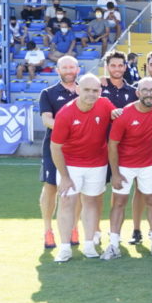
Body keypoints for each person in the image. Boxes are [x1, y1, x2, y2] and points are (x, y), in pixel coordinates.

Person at [100, 77, 152, 260]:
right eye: (145, 90)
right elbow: (112, 145)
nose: (149, 93)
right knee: (119, 203)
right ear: (137, 93)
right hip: (124, 166)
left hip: (149, 164)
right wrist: (116, 173)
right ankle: (113, 245)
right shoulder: (125, 115)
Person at [49, 73, 117, 262]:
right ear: (78, 90)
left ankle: (89, 244)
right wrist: (64, 177)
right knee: (66, 203)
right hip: (71, 165)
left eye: (95, 90)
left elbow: (116, 116)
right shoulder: (65, 113)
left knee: (91, 202)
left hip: (97, 164)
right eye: (87, 90)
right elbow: (55, 147)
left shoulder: (104, 104)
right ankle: (64, 248)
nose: (91, 94)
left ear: (100, 92)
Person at [39, 57, 80, 248]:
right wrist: (68, 129)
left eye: (72, 67)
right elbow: (47, 120)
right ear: (58, 70)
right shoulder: (48, 93)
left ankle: (74, 228)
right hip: (55, 148)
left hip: (80, 147)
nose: (69, 70)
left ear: (78, 69)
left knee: (78, 189)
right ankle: (48, 230)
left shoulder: (86, 91)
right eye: (65, 67)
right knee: (51, 187)